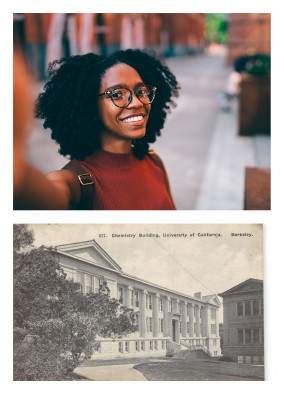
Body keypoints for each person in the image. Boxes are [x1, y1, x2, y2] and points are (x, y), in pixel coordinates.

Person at [27, 49, 179, 210]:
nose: (137, 103)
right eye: (117, 94)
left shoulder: (154, 162)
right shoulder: (73, 183)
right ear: (90, 107)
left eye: (141, 91)